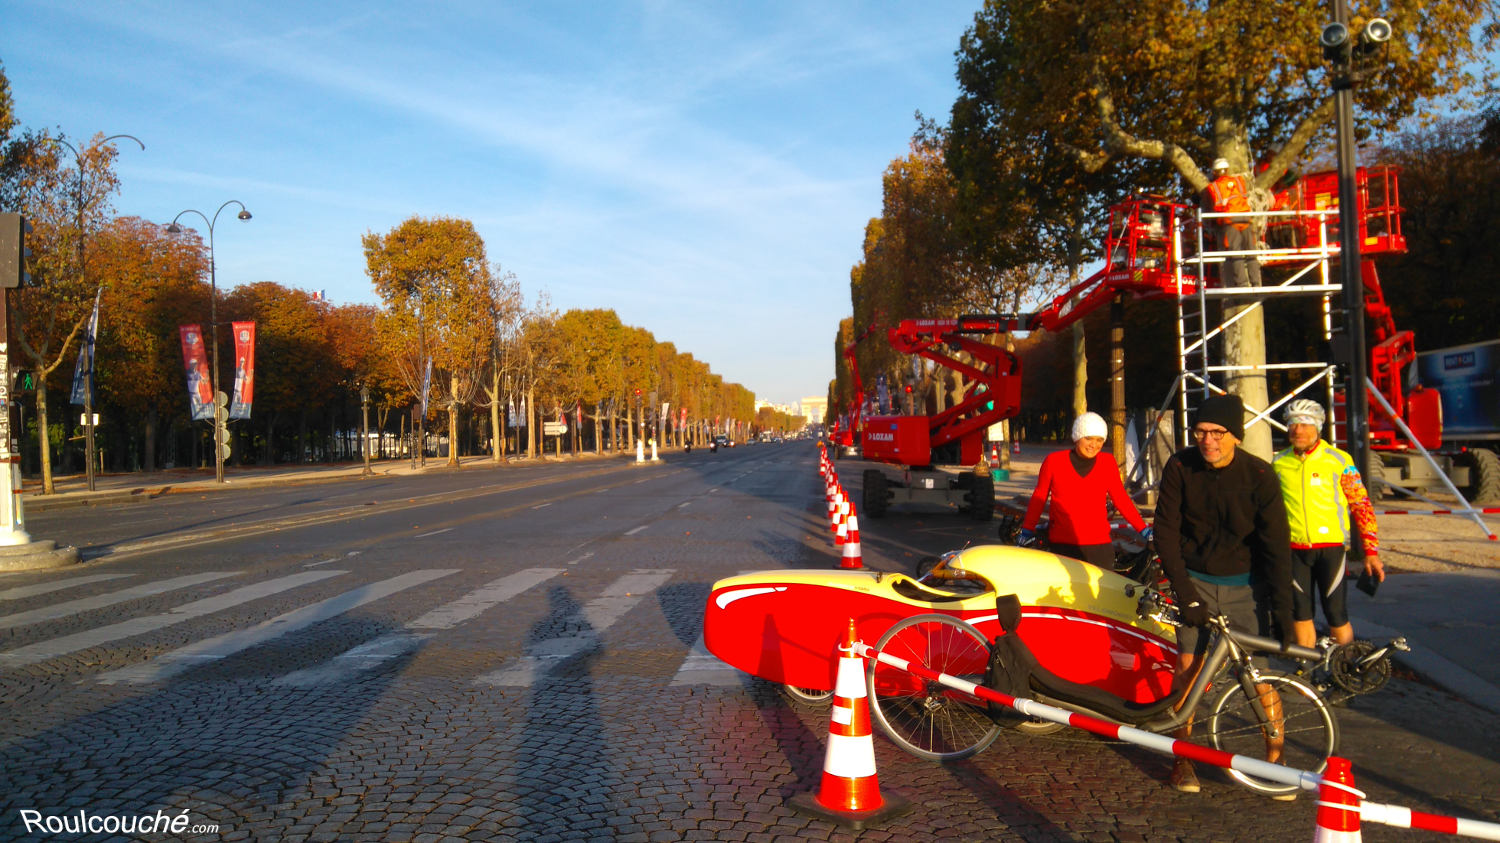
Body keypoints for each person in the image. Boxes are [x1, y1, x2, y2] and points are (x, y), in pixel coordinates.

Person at [1153, 393, 1295, 797]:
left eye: (1218, 432)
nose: (1208, 440)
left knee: (1256, 676)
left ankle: (1277, 758)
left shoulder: (1260, 476)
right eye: (1201, 431)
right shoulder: (1180, 465)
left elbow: (1276, 546)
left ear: (1236, 435)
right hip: (1194, 580)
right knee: (1189, 671)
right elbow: (1165, 531)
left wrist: (1285, 612)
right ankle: (1183, 760)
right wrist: (1185, 593)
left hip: (1245, 586)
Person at [1272, 399, 1384, 648]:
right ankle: (1306, 674)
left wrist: (1371, 552)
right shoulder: (1278, 462)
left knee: (1336, 614)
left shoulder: (1339, 460)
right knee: (1301, 614)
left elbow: (1361, 505)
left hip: (1331, 549)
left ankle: (1343, 670)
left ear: (1318, 427)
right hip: (1294, 550)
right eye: (1292, 424)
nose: (1297, 430)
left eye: (1304, 424)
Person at [1020, 411, 1147, 569]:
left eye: (1099, 440)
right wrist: (1027, 529)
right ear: (1077, 437)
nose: (1094, 445)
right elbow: (1039, 497)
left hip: (1099, 546)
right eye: (1089, 438)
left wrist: (1143, 528)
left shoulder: (1107, 463)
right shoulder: (1054, 462)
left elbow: (1121, 499)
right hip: (1063, 546)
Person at [1205, 158, 1263, 287]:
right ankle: (1256, 283)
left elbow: (1217, 207)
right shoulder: (1239, 181)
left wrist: (1216, 222)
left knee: (1235, 253)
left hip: (1230, 221)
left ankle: (1242, 283)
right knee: (1251, 252)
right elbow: (1243, 196)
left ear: (1215, 172)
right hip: (1246, 218)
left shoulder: (1213, 187)